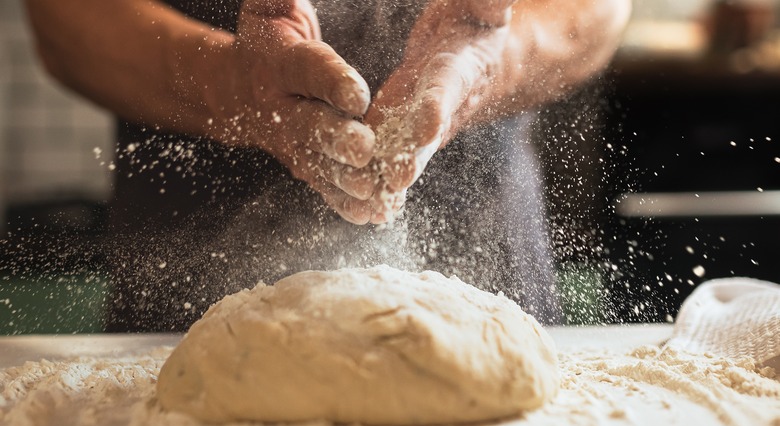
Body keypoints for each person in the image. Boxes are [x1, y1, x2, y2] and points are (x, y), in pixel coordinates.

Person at [25, 0, 631, 331]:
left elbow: (601, 11)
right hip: (183, 290)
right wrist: (228, 85)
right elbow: (62, 21)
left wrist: (491, 61)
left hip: (487, 249)